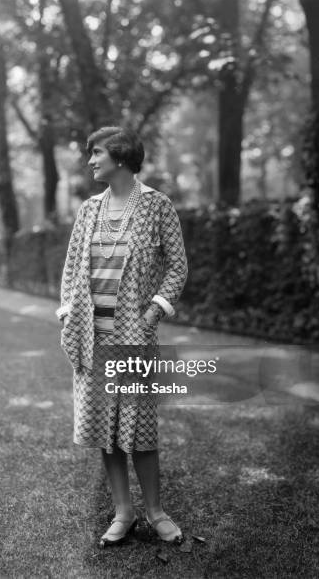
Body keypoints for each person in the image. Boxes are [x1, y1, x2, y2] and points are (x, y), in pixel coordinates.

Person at [56, 126, 188, 547]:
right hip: (92, 336)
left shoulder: (156, 205)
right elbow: (73, 268)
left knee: (141, 428)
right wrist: (67, 313)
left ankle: (156, 511)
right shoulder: (89, 210)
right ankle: (123, 512)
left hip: (134, 334)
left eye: (97, 153)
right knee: (104, 430)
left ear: (121, 155)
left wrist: (155, 309)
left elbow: (177, 266)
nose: (91, 160)